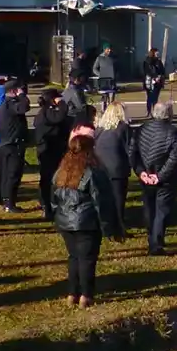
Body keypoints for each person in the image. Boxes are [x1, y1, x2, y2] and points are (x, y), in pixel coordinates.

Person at [51, 135, 126, 307]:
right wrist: (110, 226)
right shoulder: (93, 172)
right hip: (86, 222)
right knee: (87, 259)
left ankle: (72, 293)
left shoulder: (61, 171)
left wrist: (59, 216)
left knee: (73, 257)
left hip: (65, 221)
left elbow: (53, 199)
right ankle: (86, 295)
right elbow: (102, 202)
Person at [130, 100, 177, 255]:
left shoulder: (141, 130)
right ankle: (156, 243)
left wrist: (141, 172)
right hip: (164, 179)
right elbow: (174, 159)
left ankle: (152, 237)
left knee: (149, 208)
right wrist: (159, 177)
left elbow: (133, 153)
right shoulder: (175, 133)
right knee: (162, 211)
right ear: (169, 114)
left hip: (147, 176)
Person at [33, 88, 74, 221]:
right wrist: (61, 103)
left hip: (48, 150)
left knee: (48, 179)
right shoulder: (48, 113)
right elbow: (60, 115)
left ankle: (46, 204)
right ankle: (48, 205)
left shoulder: (44, 113)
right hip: (49, 151)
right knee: (50, 179)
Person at [93, 101, 133, 227]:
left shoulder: (99, 129)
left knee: (104, 198)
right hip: (117, 169)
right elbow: (130, 149)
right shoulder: (124, 128)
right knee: (118, 199)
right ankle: (119, 225)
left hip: (101, 168)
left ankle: (105, 223)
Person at [0, 80, 31, 213]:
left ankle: (6, 200)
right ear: (13, 91)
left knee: (6, 174)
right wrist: (21, 96)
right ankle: (10, 203)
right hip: (13, 144)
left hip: (5, 142)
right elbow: (24, 107)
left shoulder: (3, 105)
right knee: (13, 174)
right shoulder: (12, 104)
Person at [141, 47, 167, 113]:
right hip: (149, 82)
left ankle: (155, 111)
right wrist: (155, 77)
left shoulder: (158, 61)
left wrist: (161, 77)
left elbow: (162, 70)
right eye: (156, 52)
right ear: (153, 53)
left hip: (158, 82)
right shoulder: (147, 61)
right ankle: (149, 111)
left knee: (155, 98)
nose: (158, 53)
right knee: (150, 97)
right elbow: (148, 71)